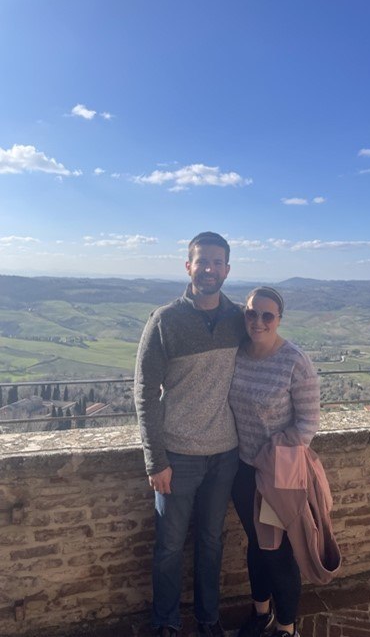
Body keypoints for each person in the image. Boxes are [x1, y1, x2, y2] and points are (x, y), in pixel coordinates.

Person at [134, 232, 245, 637]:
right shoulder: (165, 320)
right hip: (177, 456)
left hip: (225, 454)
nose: (210, 269)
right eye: (203, 261)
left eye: (218, 262)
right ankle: (165, 622)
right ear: (188, 266)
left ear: (227, 270)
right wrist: (155, 459)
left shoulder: (239, 319)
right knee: (168, 547)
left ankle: (208, 618)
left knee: (212, 542)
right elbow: (144, 392)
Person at [229, 287, 321, 637]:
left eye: (268, 315)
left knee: (279, 553)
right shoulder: (237, 354)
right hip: (243, 469)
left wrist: (271, 452)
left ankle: (286, 627)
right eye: (252, 313)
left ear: (279, 319)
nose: (259, 321)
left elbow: (308, 424)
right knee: (256, 545)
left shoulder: (294, 361)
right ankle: (261, 613)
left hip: (281, 471)